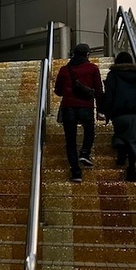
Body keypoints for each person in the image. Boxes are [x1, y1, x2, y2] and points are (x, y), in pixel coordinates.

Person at [54, 43, 103, 182]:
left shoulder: (64, 70)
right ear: (87, 55)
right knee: (89, 131)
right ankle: (85, 152)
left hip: (68, 108)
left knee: (70, 142)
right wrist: (100, 111)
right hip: (86, 107)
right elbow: (99, 91)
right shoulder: (92, 68)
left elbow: (58, 91)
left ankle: (76, 173)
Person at [100, 51, 136, 182]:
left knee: (120, 135)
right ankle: (131, 168)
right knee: (133, 141)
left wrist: (106, 112)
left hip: (119, 114)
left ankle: (120, 147)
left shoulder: (113, 75)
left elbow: (109, 95)